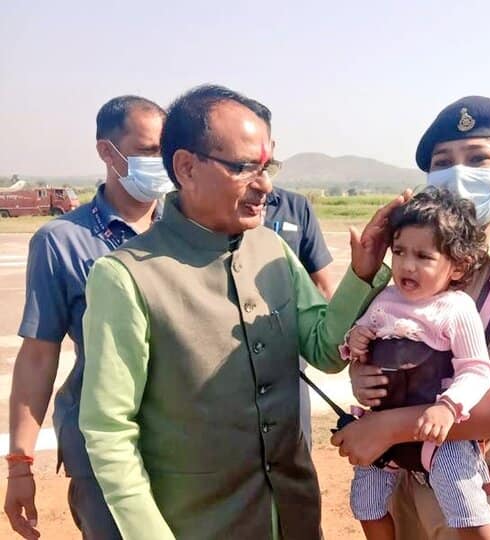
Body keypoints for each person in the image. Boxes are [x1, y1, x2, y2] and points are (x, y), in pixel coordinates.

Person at [78, 84, 404, 540]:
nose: (265, 185)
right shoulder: (126, 277)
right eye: (244, 167)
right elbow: (109, 430)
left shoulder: (270, 248)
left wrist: (362, 274)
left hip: (292, 516)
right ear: (186, 167)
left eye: (266, 167)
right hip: (197, 525)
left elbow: (325, 350)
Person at [331, 95, 490, 540]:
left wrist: (389, 426)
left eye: (477, 158)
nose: (458, 173)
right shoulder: (415, 261)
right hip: (408, 488)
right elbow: (377, 345)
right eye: (443, 161)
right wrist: (366, 376)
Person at [3, 95, 170, 540]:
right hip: (103, 455)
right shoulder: (62, 242)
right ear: (106, 152)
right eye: (149, 151)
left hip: (188, 446)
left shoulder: (189, 232)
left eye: (166, 150)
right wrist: (20, 464)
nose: (162, 162)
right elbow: (39, 355)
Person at [343, 188, 490, 540]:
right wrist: (355, 342)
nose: (406, 265)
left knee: (466, 507)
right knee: (366, 504)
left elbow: (477, 369)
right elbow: (362, 335)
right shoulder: (386, 297)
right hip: (380, 425)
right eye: (399, 252)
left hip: (438, 434)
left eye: (423, 256)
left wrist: (447, 408)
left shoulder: (455, 308)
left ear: (457, 266)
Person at [264, 186, 335, 447]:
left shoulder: (296, 207)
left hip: (290, 357)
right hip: (235, 358)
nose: (261, 183)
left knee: (296, 446)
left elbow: (324, 286)